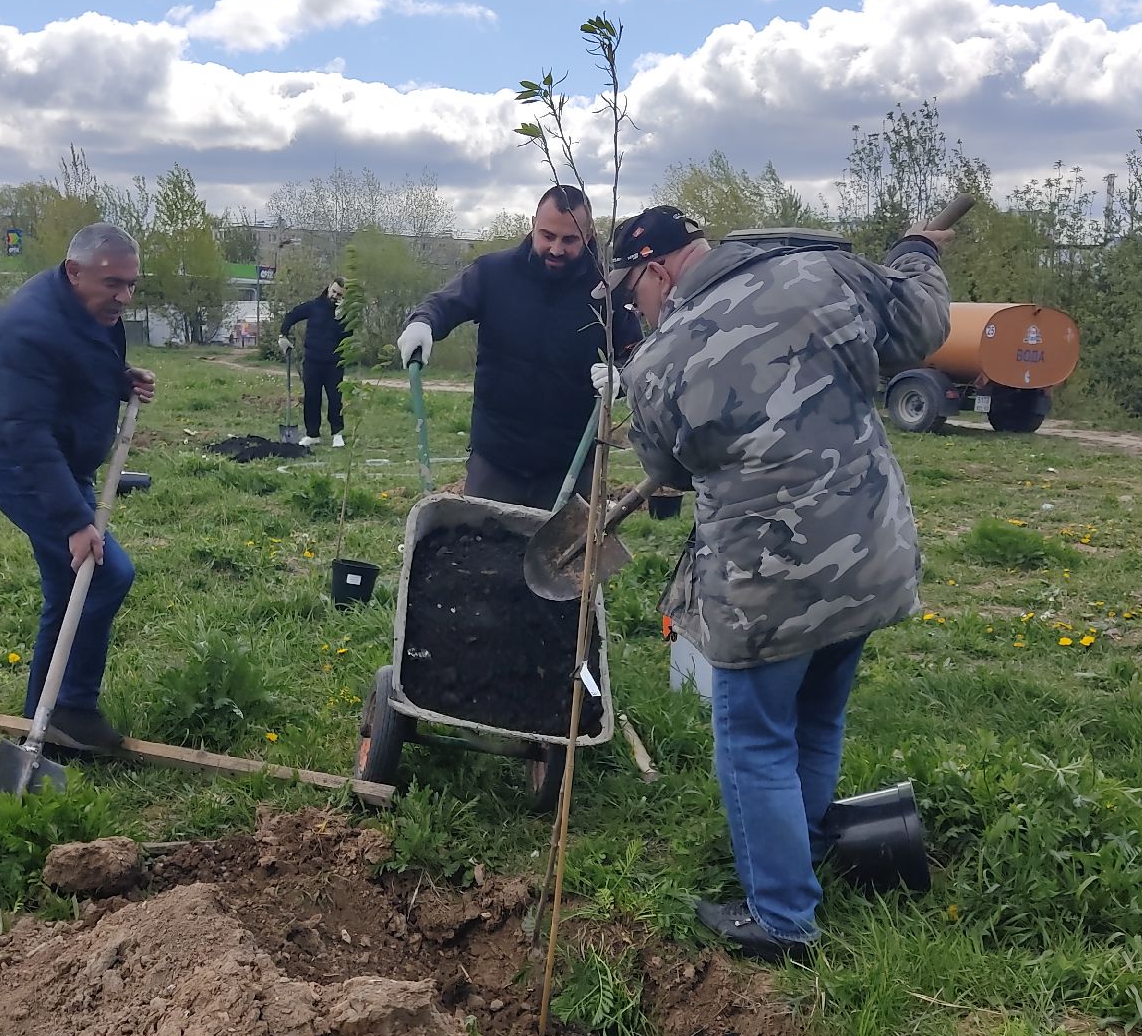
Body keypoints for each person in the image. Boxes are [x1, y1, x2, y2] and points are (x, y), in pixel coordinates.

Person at [607, 204, 953, 960]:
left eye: (633, 291)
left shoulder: (660, 360)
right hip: (868, 554)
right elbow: (924, 321)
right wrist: (919, 248)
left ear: (658, 269)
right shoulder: (822, 273)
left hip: (765, 581)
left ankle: (782, 919)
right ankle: (802, 855)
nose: (636, 306)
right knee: (818, 718)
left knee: (756, 741)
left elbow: (665, 472)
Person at [0, 222, 156, 753]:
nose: (124, 297)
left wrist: (118, 378)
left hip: (63, 465)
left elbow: (78, 366)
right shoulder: (29, 324)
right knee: (104, 574)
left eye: (131, 284)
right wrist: (75, 521)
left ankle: (46, 712)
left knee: (67, 587)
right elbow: (26, 432)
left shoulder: (89, 307)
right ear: (74, 272)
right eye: (113, 284)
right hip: (26, 471)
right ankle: (72, 708)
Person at [396, 184, 642, 507]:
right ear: (533, 225)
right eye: (547, 235)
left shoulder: (606, 291)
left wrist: (621, 376)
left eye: (569, 240)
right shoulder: (494, 273)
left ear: (589, 234)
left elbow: (637, 353)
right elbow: (444, 303)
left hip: (571, 463)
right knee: (476, 550)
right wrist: (422, 322)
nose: (556, 249)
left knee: (566, 556)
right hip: (495, 459)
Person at [278, 277, 351, 448]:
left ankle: (337, 433)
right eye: (333, 292)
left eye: (339, 295)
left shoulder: (345, 315)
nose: (334, 296)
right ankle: (312, 434)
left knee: (335, 398)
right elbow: (292, 315)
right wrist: (282, 335)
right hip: (312, 361)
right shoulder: (314, 306)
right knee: (311, 397)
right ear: (328, 288)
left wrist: (342, 319)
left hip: (334, 363)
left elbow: (348, 337)